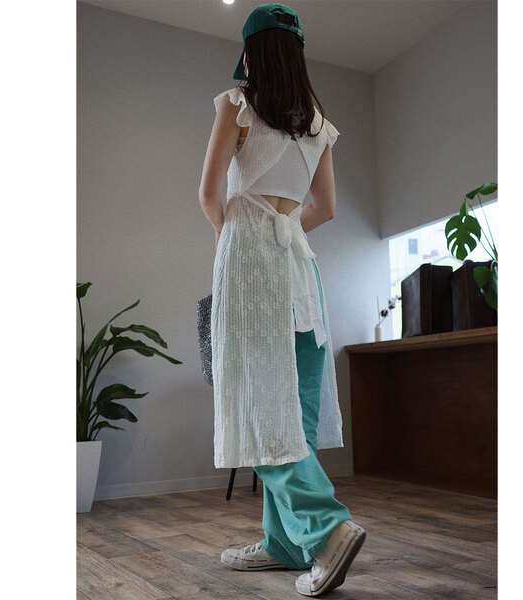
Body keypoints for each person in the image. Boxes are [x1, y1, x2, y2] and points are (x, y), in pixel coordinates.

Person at [198, 4, 366, 597]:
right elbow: (326, 208)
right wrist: (283, 228)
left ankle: (327, 531)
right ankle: (284, 544)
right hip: (300, 268)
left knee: (256, 404)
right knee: (293, 407)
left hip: (251, 263)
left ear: (250, 53)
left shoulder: (236, 104)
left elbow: (209, 193)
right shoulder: (319, 124)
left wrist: (234, 239)